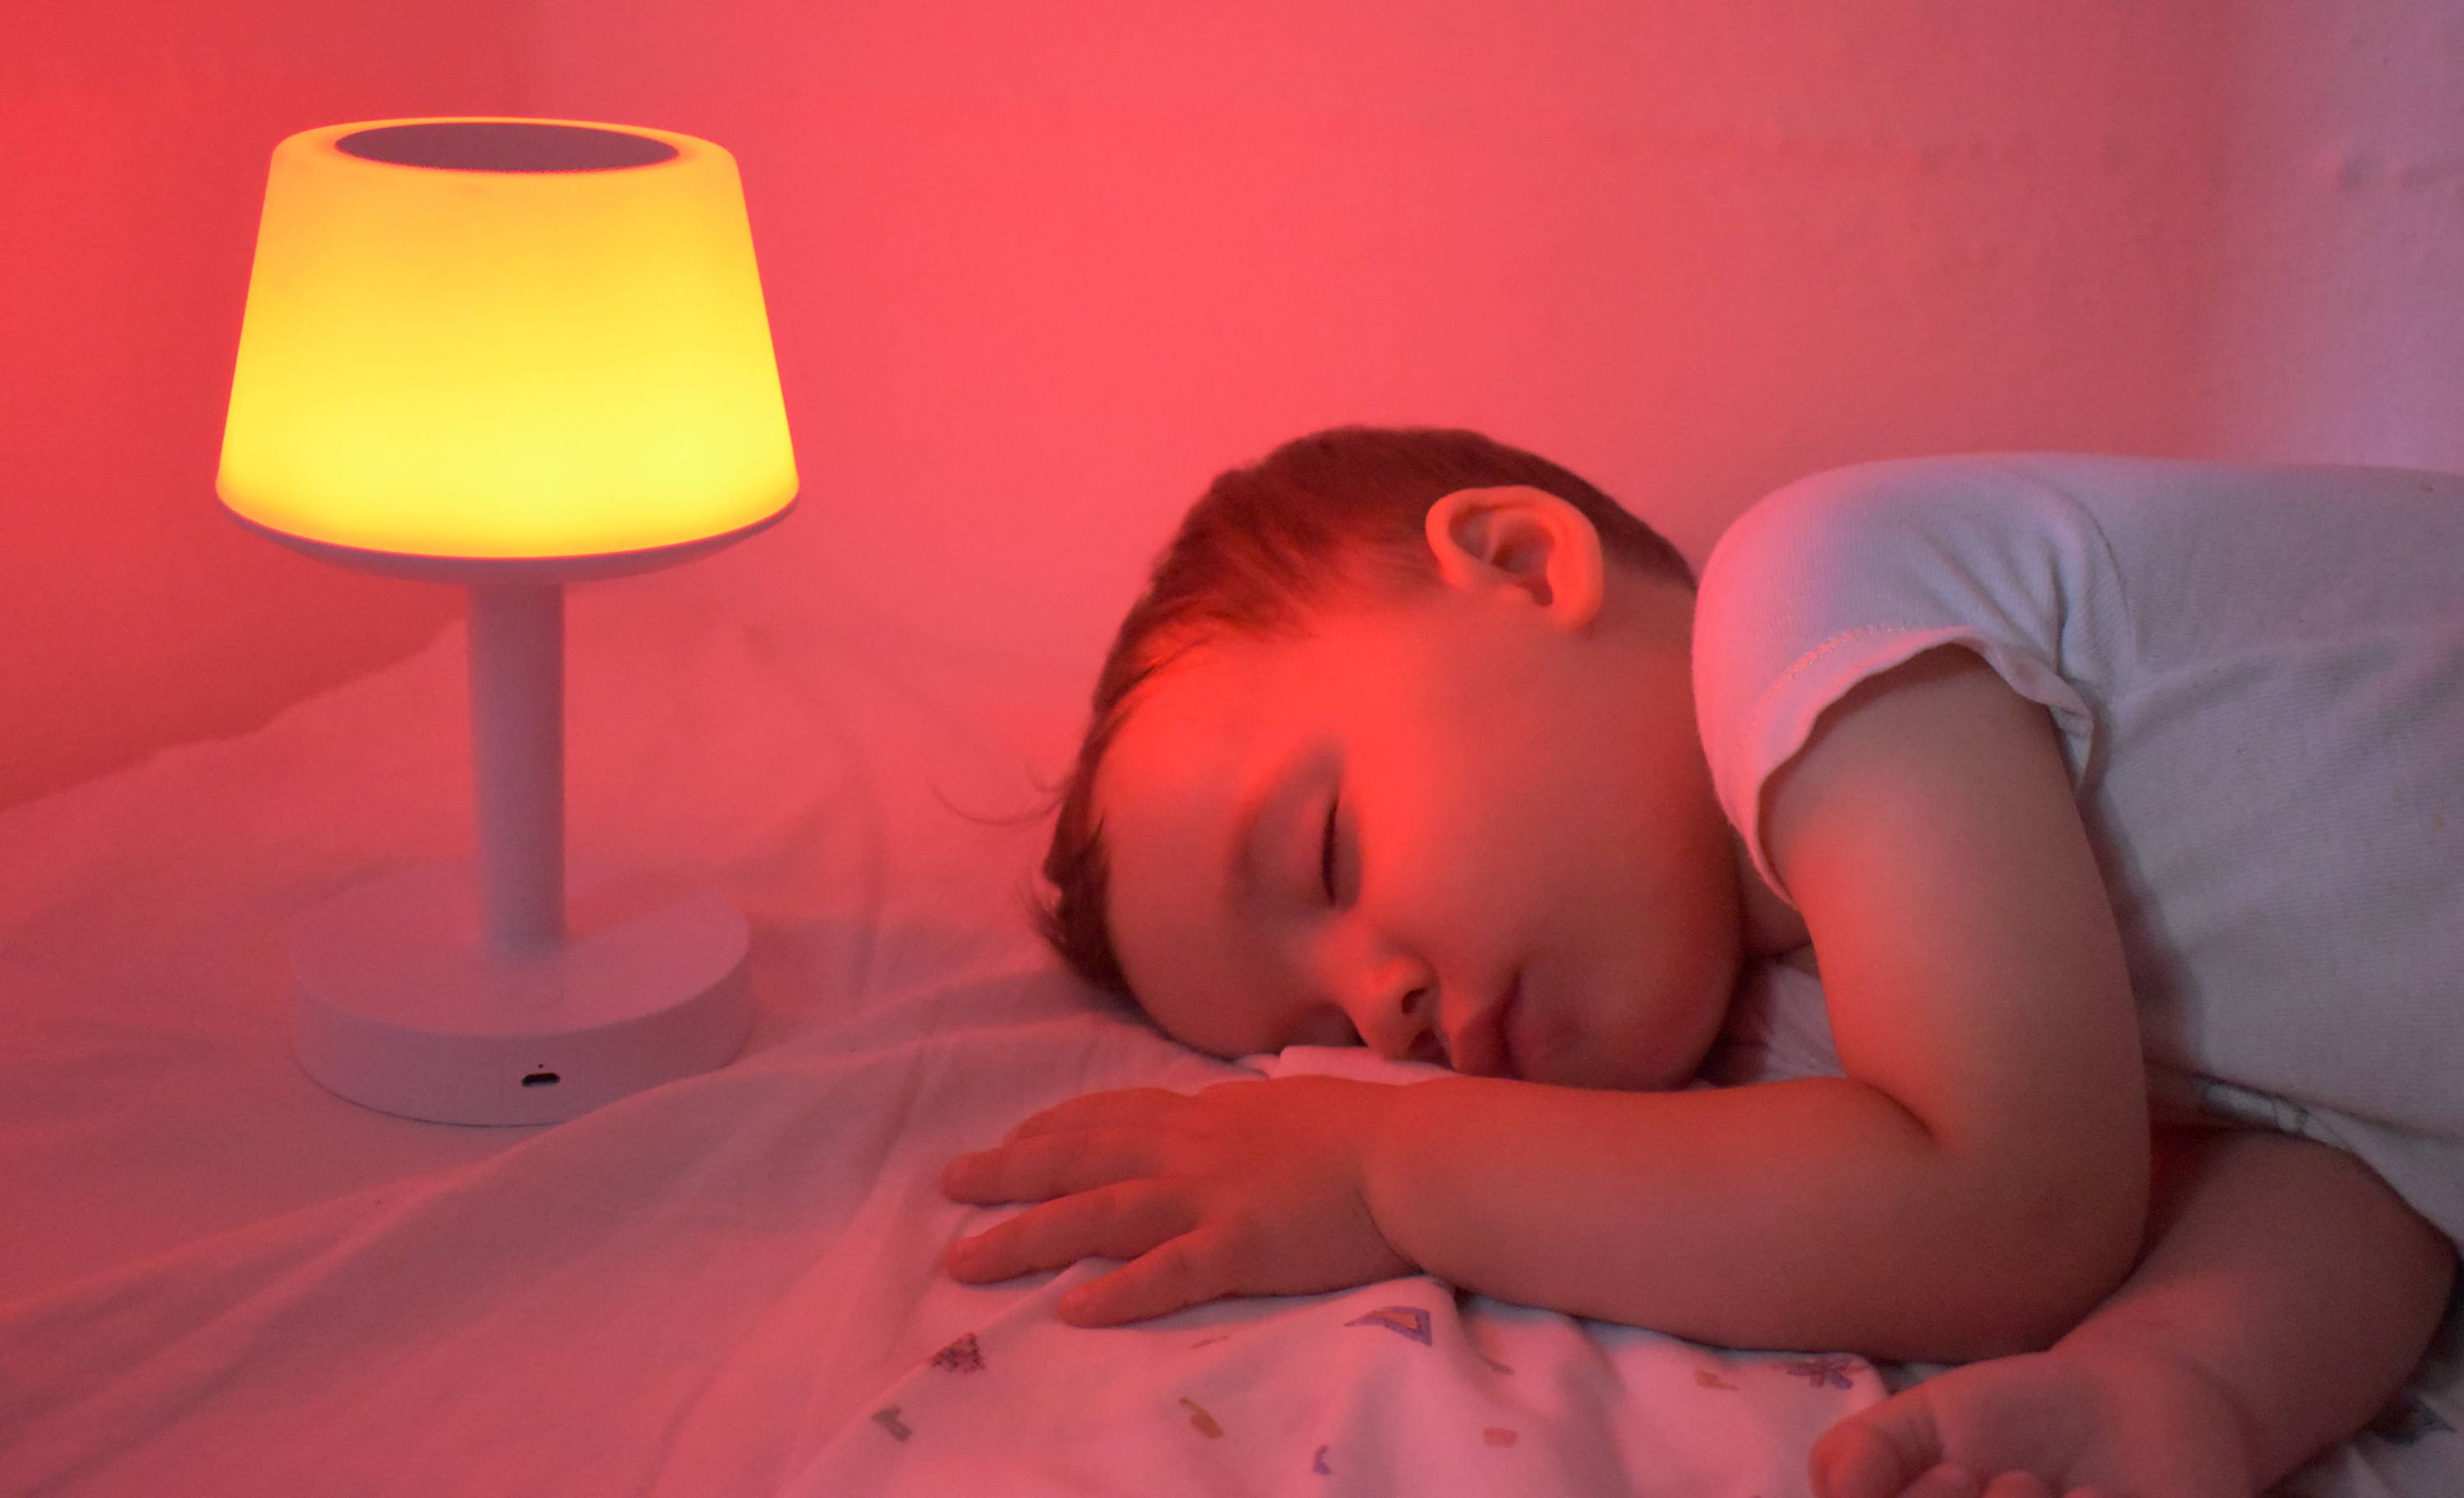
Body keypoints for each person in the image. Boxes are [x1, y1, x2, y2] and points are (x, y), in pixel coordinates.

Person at [938, 426, 2462, 1496]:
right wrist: (2180, 1380)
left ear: (1525, 563)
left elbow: (2017, 1203)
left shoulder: (1818, 600)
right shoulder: (1810, 1032)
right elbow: (2357, 1158)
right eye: (1330, 1031)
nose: (1382, 1007)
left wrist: (1383, 1164)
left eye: (1329, 853)